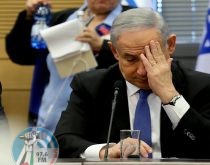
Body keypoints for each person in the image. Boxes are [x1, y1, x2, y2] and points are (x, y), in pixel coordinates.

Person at [54, 8, 210, 159]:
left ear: (170, 45)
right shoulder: (91, 86)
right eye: (130, 59)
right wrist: (106, 150)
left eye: (151, 56)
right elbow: (63, 141)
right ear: (114, 51)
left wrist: (170, 95)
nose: (142, 71)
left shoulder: (204, 86)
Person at [5, 0, 132, 133]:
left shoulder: (132, 19)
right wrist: (29, 17)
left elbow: (139, 61)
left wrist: (102, 46)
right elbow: (21, 55)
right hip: (48, 119)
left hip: (99, 122)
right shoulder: (63, 18)